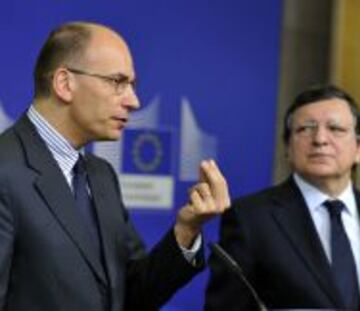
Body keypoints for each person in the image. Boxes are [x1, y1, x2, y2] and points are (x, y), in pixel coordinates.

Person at [0, 21, 230, 311]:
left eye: (131, 85)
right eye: (117, 82)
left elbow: (131, 295)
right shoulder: (5, 170)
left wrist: (186, 229)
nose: (133, 101)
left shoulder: (100, 175)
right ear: (64, 83)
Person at [205, 85, 360, 310]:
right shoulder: (251, 218)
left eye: (335, 128)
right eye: (305, 129)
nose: (320, 139)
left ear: (359, 149)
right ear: (287, 147)